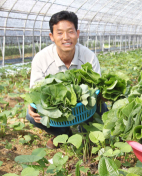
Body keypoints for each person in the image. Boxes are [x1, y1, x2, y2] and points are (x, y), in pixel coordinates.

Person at [26, 11, 108, 149]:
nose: (66, 37)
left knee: (102, 108)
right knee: (30, 115)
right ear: (51, 36)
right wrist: (33, 105)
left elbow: (96, 89)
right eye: (59, 33)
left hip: (84, 106)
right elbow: (35, 92)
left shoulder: (89, 57)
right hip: (56, 109)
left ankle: (86, 131)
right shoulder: (41, 59)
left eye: (70, 32)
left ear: (77, 33)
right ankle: (62, 133)